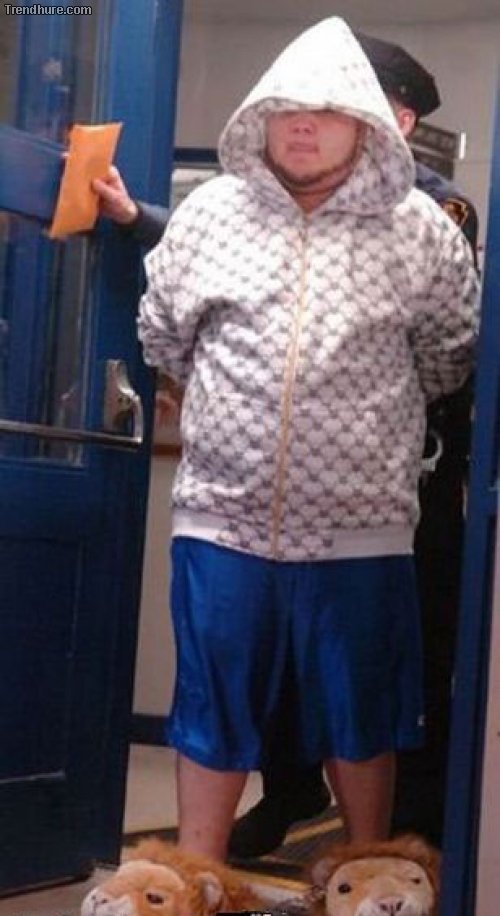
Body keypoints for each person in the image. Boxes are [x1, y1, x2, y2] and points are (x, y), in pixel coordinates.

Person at [94, 30, 479, 856]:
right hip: (221, 525)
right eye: (286, 108)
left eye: (326, 110)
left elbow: (448, 356)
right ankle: (196, 879)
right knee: (214, 705)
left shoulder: (421, 229)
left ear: (365, 121)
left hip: (364, 531)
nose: (302, 124)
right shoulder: (208, 217)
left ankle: (365, 878)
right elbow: (165, 337)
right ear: (259, 117)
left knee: (364, 712)